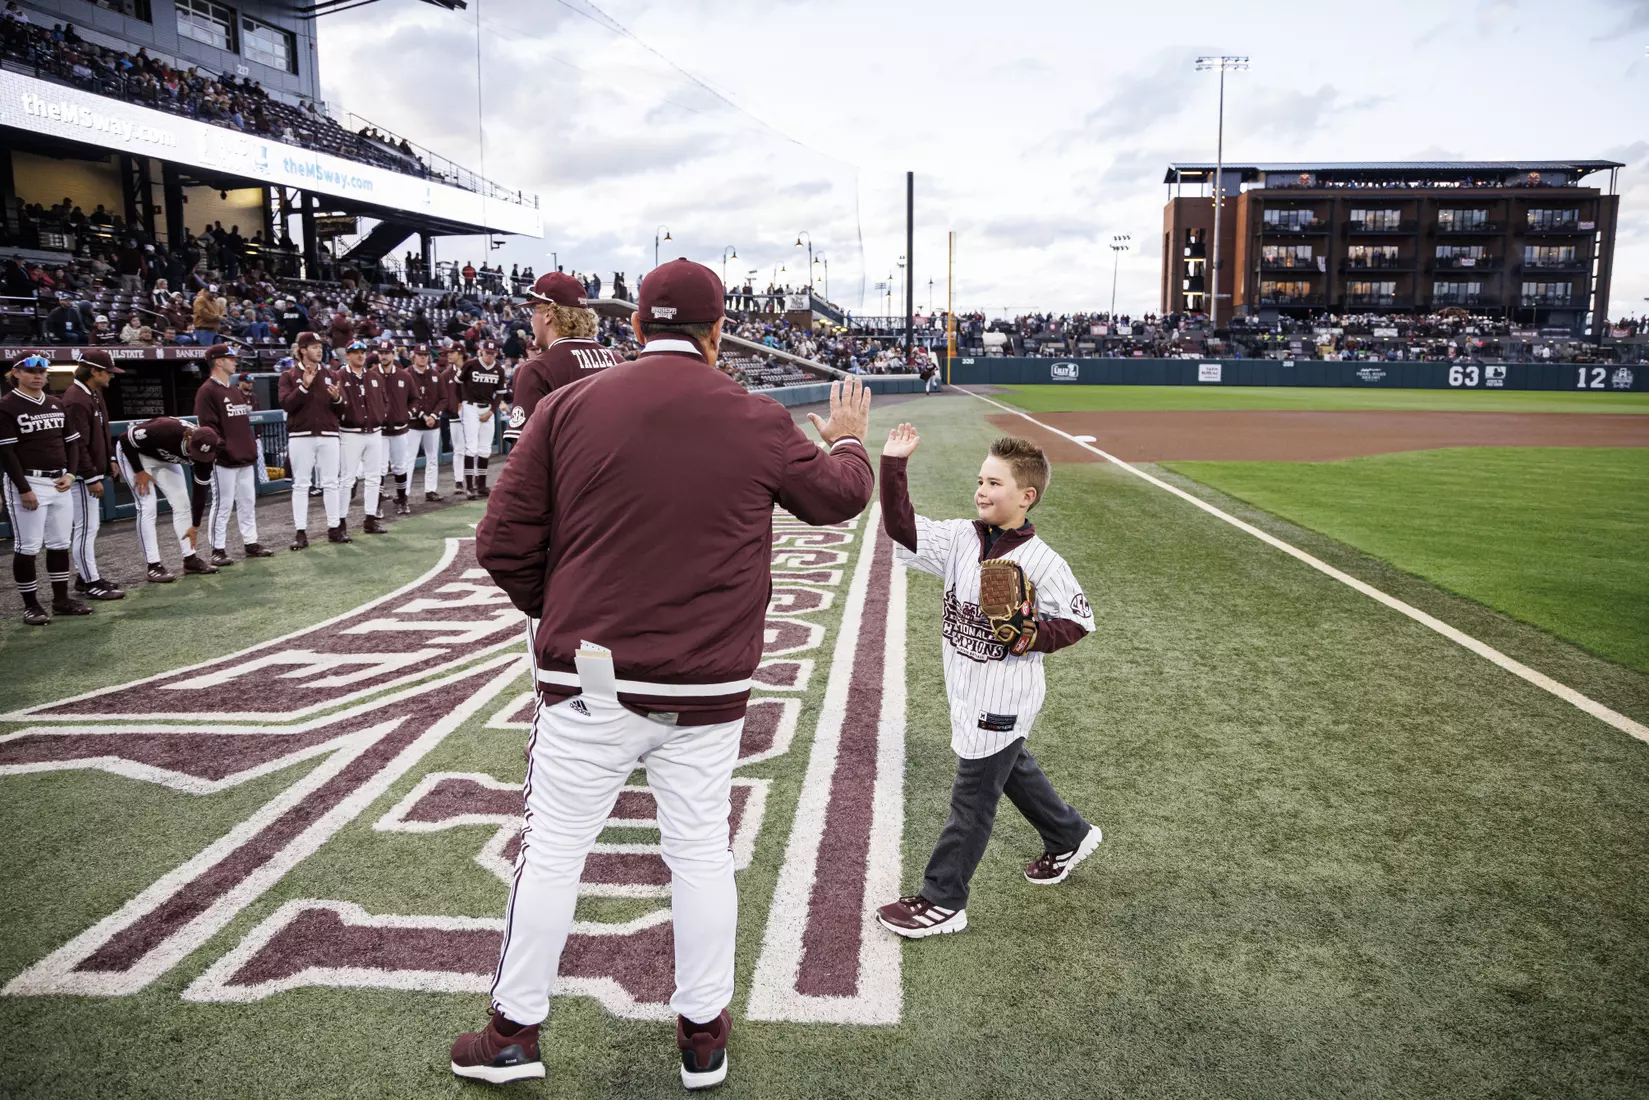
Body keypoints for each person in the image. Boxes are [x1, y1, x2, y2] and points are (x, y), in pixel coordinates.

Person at [458, 260, 874, 1088]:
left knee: (552, 854)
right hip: (706, 688)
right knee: (699, 853)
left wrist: (569, 609)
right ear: (716, 334)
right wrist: (852, 440)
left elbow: (500, 545)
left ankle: (513, 1033)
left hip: (590, 679)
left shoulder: (568, 404)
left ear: (638, 326)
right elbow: (837, 498)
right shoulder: (751, 413)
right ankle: (702, 1037)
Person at [872, 428, 1099, 940]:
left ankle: (943, 899)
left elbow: (1080, 621)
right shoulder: (959, 537)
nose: (981, 489)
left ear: (1026, 496)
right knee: (1009, 766)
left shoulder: (1043, 561)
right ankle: (1069, 835)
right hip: (966, 685)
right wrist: (893, 464)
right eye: (980, 479)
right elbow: (902, 527)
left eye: (994, 482)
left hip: (1005, 696)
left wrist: (1031, 635)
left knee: (973, 797)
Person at [0, 355, 87, 625]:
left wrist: (72, 474)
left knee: (60, 543)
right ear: (16, 372)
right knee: (28, 546)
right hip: (28, 481)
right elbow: (7, 452)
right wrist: (23, 489)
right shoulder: (7, 406)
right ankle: (31, 605)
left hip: (60, 480)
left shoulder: (55, 403)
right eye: (30, 371)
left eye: (41, 371)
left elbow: (72, 443)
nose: (37, 376)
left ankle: (61, 600)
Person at [502, 273, 622, 450]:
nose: (531, 319)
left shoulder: (537, 368)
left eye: (535, 309)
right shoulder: (617, 360)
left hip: (566, 475)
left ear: (549, 314)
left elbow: (524, 457)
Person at [115, 416, 220, 582]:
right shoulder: (166, 430)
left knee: (182, 504)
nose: (197, 458)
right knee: (147, 507)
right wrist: (139, 470)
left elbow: (200, 491)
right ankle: (153, 565)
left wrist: (195, 525)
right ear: (188, 437)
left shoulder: (206, 455)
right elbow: (124, 438)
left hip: (165, 458)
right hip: (138, 454)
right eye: (195, 452)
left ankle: (190, 560)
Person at [193, 344, 272, 565]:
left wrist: (247, 448)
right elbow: (207, 429)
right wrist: (224, 449)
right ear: (218, 361)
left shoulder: (234, 389)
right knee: (223, 504)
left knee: (248, 501)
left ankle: (251, 541)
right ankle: (217, 549)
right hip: (223, 460)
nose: (235, 361)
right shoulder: (207, 390)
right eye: (230, 358)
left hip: (245, 456)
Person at [61, 349, 124, 601]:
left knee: (88, 528)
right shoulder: (76, 398)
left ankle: (83, 575)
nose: (111, 376)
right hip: (79, 476)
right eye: (107, 371)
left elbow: (102, 431)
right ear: (94, 371)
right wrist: (90, 476)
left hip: (92, 470)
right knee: (85, 528)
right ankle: (90, 582)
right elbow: (77, 444)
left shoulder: (93, 393)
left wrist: (109, 458)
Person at [278, 331, 346, 548]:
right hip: (301, 435)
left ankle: (335, 528)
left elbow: (342, 409)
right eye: (314, 346)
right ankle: (300, 532)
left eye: (320, 346)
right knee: (301, 484)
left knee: (331, 482)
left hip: (328, 433)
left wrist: (337, 399)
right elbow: (287, 404)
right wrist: (304, 387)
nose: (320, 350)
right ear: (303, 350)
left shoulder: (331, 375)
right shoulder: (289, 375)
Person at [335, 339, 388, 535]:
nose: (360, 355)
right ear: (347, 355)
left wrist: (380, 416)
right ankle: (340, 522)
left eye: (362, 351)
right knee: (347, 479)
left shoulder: (374, 377)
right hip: (350, 433)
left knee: (374, 478)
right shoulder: (339, 376)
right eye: (355, 352)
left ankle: (370, 519)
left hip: (374, 431)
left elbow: (384, 401)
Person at [456, 339, 503, 499]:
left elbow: (501, 392)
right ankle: (469, 486)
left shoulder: (498, 369)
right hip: (470, 406)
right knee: (471, 447)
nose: (489, 356)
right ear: (481, 351)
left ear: (496, 354)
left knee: (485, 448)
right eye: (487, 352)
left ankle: (481, 485)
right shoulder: (471, 364)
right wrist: (459, 401)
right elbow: (457, 382)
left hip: (487, 408)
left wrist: (492, 411)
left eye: (492, 353)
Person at [406, 343, 445, 502]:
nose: (422, 357)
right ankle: (404, 492)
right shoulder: (407, 374)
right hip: (414, 424)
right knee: (409, 458)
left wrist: (434, 416)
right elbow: (405, 400)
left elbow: (443, 399)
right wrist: (423, 415)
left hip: (432, 424)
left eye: (425, 355)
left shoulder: (436, 374)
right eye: (420, 355)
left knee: (432, 458)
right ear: (414, 356)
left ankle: (430, 489)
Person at [439, 341, 467, 497]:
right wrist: (451, 408)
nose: (449, 355)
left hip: (472, 415)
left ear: (460, 353)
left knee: (473, 449)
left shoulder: (470, 369)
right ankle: (458, 481)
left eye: (452, 352)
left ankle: (473, 479)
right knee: (458, 450)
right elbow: (443, 396)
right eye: (447, 352)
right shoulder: (445, 374)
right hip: (454, 417)